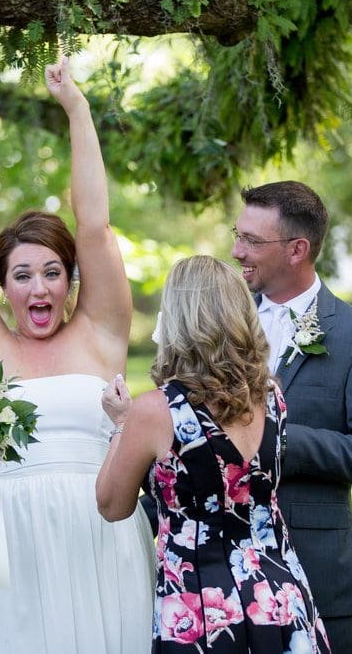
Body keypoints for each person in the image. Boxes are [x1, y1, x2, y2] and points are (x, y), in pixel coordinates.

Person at [0, 59, 154, 653]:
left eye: (52, 273)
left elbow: (94, 226)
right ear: (2, 286)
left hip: (105, 537)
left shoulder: (100, 333)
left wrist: (77, 109)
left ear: (72, 281)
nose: (39, 289)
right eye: (22, 275)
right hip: (11, 548)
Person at [97, 255, 330, 653]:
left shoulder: (156, 411)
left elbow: (112, 505)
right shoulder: (271, 396)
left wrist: (121, 424)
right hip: (279, 597)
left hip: (203, 610)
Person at [232, 180, 352, 653]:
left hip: (318, 570)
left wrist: (280, 439)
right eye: (237, 234)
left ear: (297, 249)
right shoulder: (222, 325)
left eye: (251, 240)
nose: (236, 249)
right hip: (225, 569)